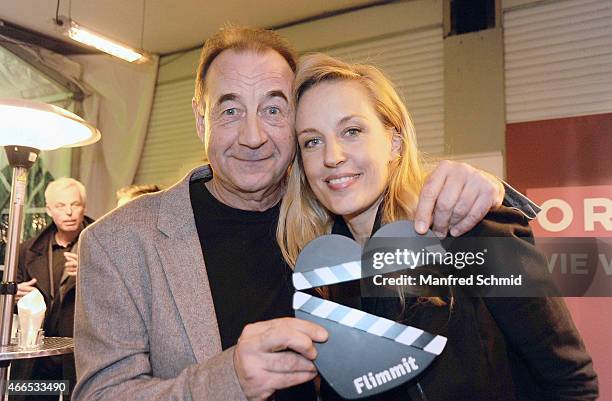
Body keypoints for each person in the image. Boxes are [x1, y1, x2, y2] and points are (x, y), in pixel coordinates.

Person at [73, 27, 539, 401]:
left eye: (273, 109)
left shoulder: (329, 215)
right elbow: (100, 393)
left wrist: (487, 186)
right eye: (230, 110)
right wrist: (226, 380)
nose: (252, 135)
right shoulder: (119, 242)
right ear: (201, 120)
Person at [277, 53, 598, 400]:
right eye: (312, 141)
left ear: (394, 143)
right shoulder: (320, 279)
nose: (332, 156)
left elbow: (572, 383)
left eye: (352, 131)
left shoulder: (472, 233)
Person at [13, 177, 93, 401]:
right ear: (49, 210)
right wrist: (14, 296)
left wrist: (90, 272)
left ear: (83, 206)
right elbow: (14, 306)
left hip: (82, 353)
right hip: (38, 356)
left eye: (75, 204)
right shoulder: (27, 250)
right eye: (60, 205)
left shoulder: (102, 242)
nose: (69, 212)